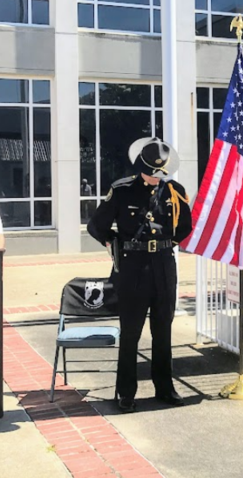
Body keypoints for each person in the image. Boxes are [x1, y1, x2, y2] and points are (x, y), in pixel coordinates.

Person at [87, 137, 193, 412]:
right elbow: (97, 225)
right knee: (131, 333)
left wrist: (164, 244)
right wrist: (113, 242)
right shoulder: (122, 190)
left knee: (163, 330)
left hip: (163, 266)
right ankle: (125, 392)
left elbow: (184, 227)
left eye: (161, 172)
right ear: (141, 167)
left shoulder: (174, 191)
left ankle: (164, 387)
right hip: (133, 267)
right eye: (152, 172)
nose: (157, 177)